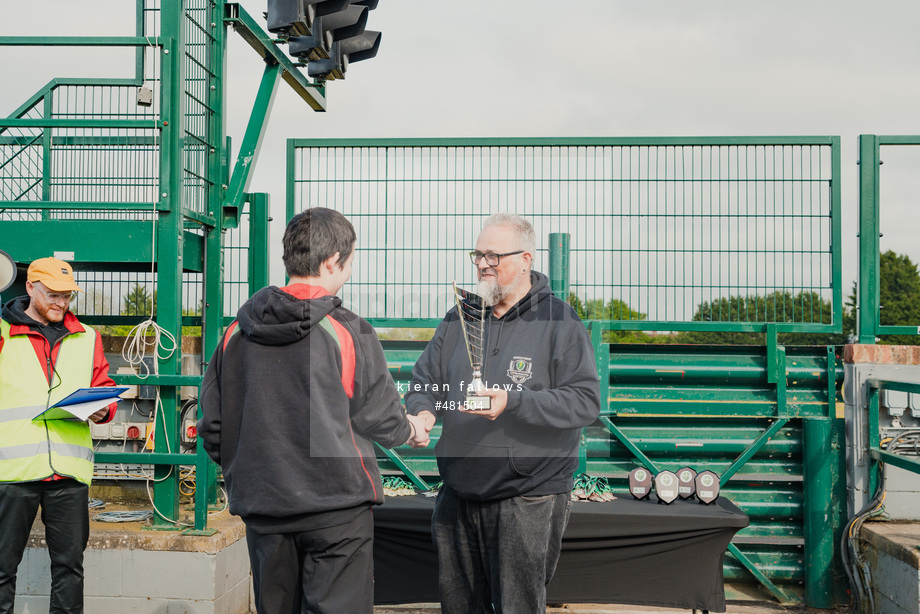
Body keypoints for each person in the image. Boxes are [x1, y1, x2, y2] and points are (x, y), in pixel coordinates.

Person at [198, 207, 431, 614]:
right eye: (349, 261)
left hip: (263, 507)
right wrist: (411, 429)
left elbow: (214, 426)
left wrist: (254, 469)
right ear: (330, 262)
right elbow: (379, 416)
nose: (350, 272)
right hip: (336, 509)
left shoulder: (235, 333)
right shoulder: (348, 329)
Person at [405, 213, 601, 614]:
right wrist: (423, 413)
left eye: (492, 257)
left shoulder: (560, 321)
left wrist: (514, 400)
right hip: (457, 495)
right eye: (477, 254)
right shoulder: (459, 317)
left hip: (526, 497)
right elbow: (425, 379)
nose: (481, 265)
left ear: (526, 259)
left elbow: (584, 401)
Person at [0, 256, 117, 614]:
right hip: (11, 474)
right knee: (2, 570)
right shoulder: (3, 334)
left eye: (67, 296)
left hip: (68, 472)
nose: (61, 303)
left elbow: (103, 385)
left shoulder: (87, 336)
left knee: (69, 569)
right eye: (53, 294)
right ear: (31, 287)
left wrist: (104, 407)